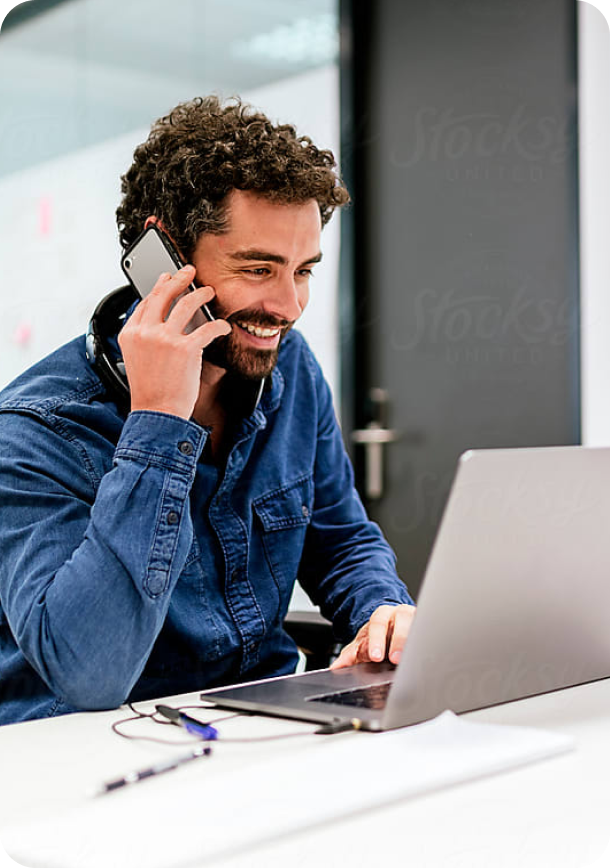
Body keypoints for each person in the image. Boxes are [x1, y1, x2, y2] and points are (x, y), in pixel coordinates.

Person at [0, 96, 414, 726]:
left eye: (303, 271)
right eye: (259, 269)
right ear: (163, 257)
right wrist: (159, 426)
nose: (288, 307)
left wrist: (381, 611)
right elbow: (88, 674)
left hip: (259, 724)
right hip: (99, 744)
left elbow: (341, 538)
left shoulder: (290, 368)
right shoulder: (34, 431)